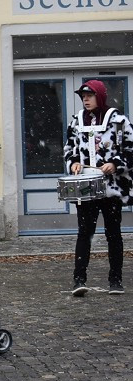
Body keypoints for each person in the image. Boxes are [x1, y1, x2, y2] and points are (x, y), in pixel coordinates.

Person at [63, 79, 133, 296]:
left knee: (113, 234)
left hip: (111, 188)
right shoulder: (76, 121)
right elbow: (69, 148)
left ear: (100, 96)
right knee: (84, 233)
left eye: (90, 95)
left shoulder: (119, 120)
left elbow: (131, 150)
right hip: (86, 187)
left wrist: (116, 164)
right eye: (83, 96)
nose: (85, 99)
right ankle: (79, 280)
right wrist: (73, 162)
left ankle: (115, 281)